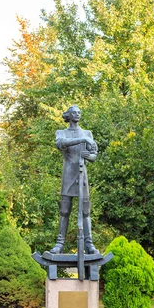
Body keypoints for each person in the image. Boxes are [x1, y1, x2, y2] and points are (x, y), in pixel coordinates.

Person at [49, 105, 99, 255]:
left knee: (85, 211)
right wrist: (82, 139)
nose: (77, 114)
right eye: (74, 112)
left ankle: (89, 244)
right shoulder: (62, 133)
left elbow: (94, 155)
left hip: (82, 175)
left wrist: (88, 156)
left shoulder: (87, 133)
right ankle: (59, 244)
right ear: (68, 115)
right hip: (68, 174)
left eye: (79, 112)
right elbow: (60, 144)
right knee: (64, 211)